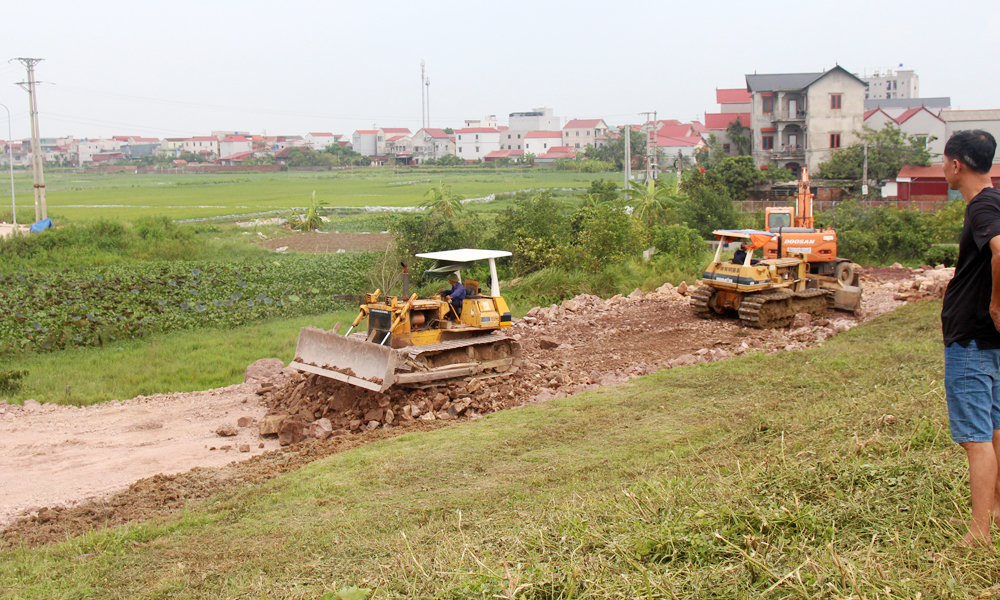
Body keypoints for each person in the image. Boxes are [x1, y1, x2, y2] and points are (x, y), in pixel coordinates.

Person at [940, 129, 1000, 546]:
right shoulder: (996, 202)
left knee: (975, 438)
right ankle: (995, 508)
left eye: (944, 162)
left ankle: (979, 533)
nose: (943, 169)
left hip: (972, 339)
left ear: (957, 164)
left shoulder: (982, 207)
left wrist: (996, 303)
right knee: (995, 428)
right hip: (989, 340)